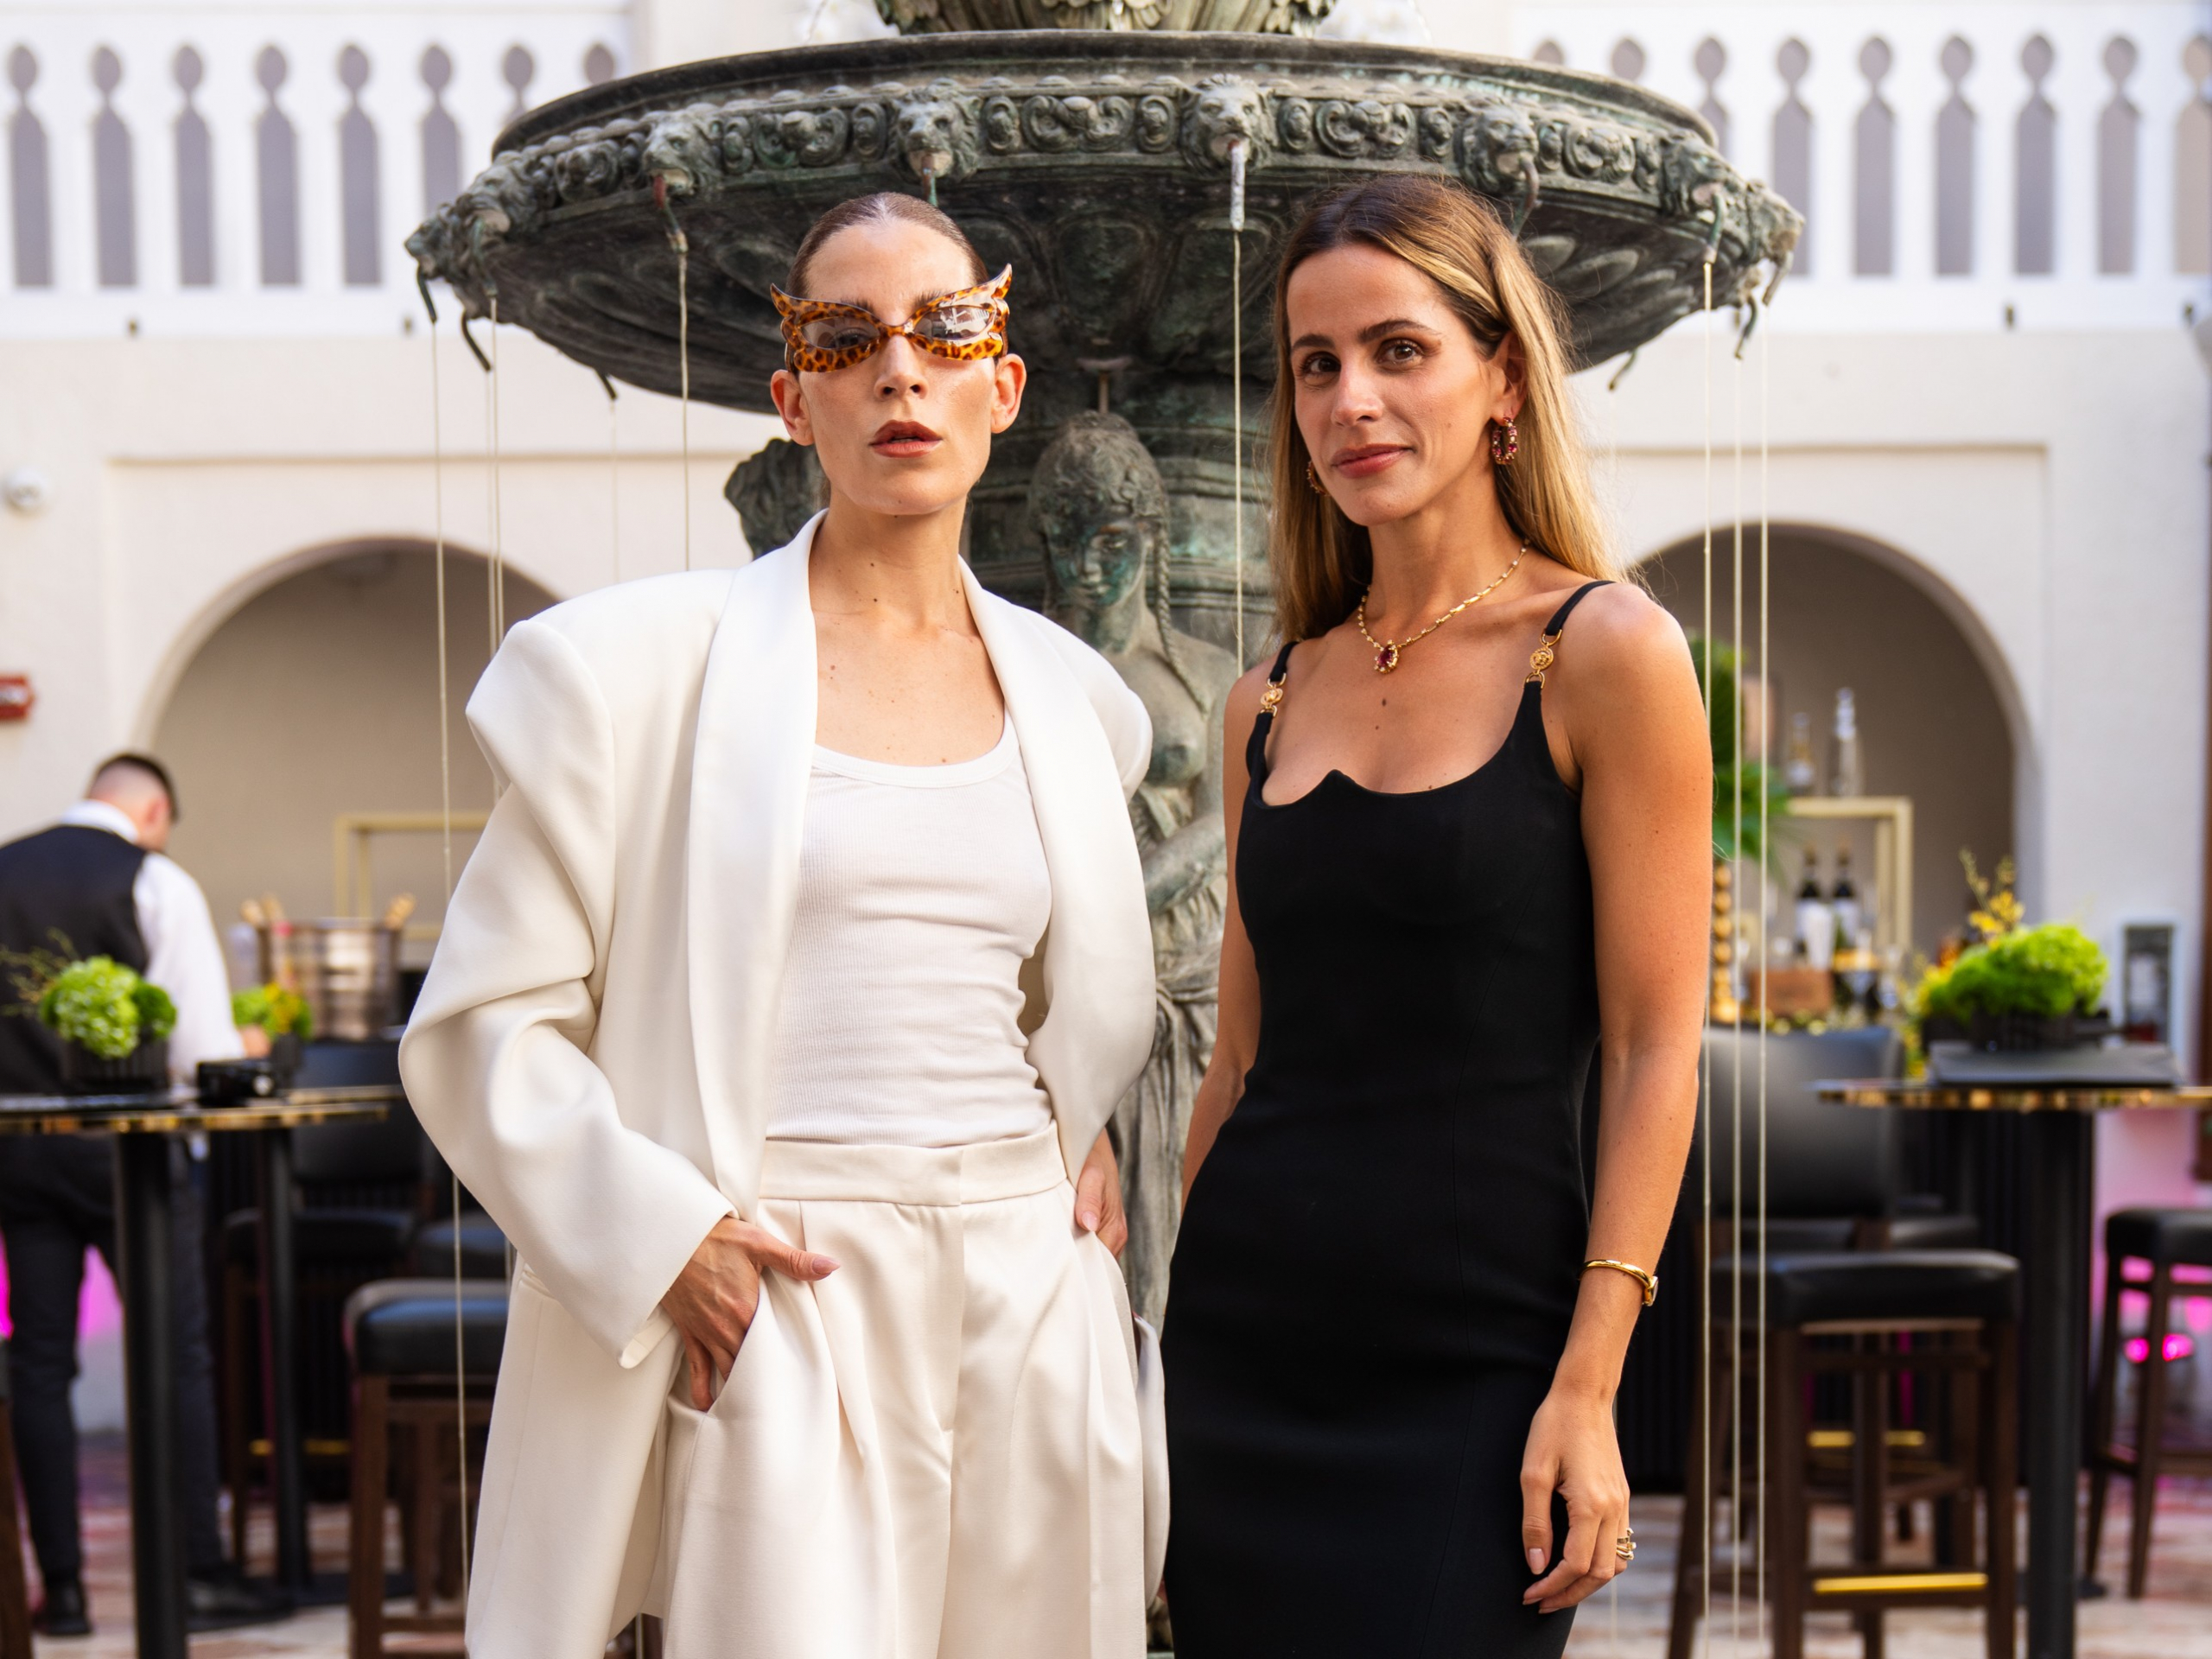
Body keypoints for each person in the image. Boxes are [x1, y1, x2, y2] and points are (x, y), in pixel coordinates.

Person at [401, 193, 1164, 1659]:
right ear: (793, 398)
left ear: (1004, 385)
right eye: (848, 340)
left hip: (1029, 1275)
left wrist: (1083, 1127)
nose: (901, 371)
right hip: (784, 1280)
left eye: (945, 332)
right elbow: (484, 1023)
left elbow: (1044, 992)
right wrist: (663, 1240)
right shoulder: (628, 675)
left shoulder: (1080, 703)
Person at [1162, 175, 1709, 1656]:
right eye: (1317, 364)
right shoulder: (1266, 698)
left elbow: (1657, 1050)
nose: (1351, 399)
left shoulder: (1605, 652)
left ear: (1503, 381)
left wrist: (1591, 1382)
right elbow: (1237, 1061)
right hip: (1247, 1352)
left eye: (1399, 350)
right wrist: (1169, 1332)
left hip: (1484, 1360)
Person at [0, 754, 279, 1634]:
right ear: (154, 811)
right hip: (134, 1158)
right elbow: (201, 1050)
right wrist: (250, 1047)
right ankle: (196, 1571)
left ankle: (63, 1592)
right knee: (175, 1353)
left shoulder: (4, 869)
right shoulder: (154, 880)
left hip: (18, 1151)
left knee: (38, 1364)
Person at [1034, 411, 1238, 1332]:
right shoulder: (1020, 666)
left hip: (1181, 978)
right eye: (1067, 538)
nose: (1088, 565)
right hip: (1058, 980)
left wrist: (1110, 904)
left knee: (1173, 1239)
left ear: (1151, 540)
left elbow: (1225, 821)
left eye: (1112, 541)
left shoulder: (1206, 674)